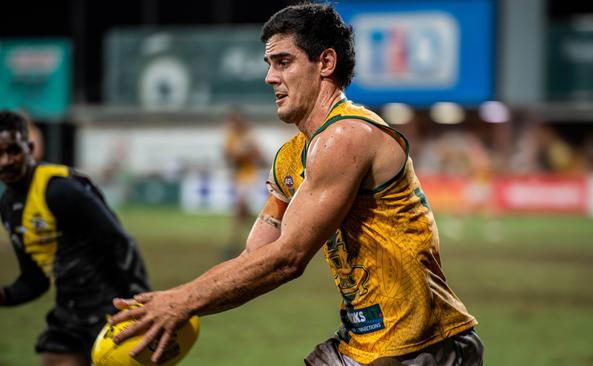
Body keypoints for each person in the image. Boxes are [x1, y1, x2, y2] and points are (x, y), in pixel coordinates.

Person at [112, 3, 483, 365]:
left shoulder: (348, 135)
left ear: (325, 63)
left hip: (423, 347)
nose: (270, 77)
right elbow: (255, 260)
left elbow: (287, 259)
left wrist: (182, 301)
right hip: (366, 343)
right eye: (269, 64)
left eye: (283, 62)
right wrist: (175, 306)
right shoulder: (291, 157)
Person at [0, 110, 150, 366]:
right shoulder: (8, 206)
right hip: (70, 316)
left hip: (111, 311)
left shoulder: (60, 189)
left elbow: (120, 242)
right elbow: (35, 280)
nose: (5, 161)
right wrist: (4, 295)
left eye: (13, 150)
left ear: (31, 147)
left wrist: (138, 302)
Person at [222, 107, 265, 258]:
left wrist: (246, 153)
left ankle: (234, 245)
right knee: (243, 213)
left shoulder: (248, 136)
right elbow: (228, 157)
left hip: (249, 176)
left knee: (240, 210)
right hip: (239, 176)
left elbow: (260, 156)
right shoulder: (232, 137)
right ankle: (263, 235)